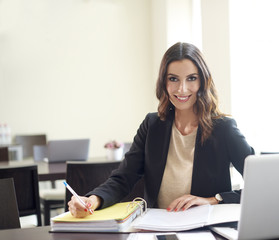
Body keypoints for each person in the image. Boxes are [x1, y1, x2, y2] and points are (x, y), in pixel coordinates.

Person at [68, 42, 254, 218]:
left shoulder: (224, 129)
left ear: (203, 82)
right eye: (173, 79)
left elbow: (261, 185)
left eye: (191, 78)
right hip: (157, 227)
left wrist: (213, 200)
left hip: (205, 228)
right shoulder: (152, 125)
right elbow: (124, 177)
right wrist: (92, 200)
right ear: (163, 82)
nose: (182, 89)